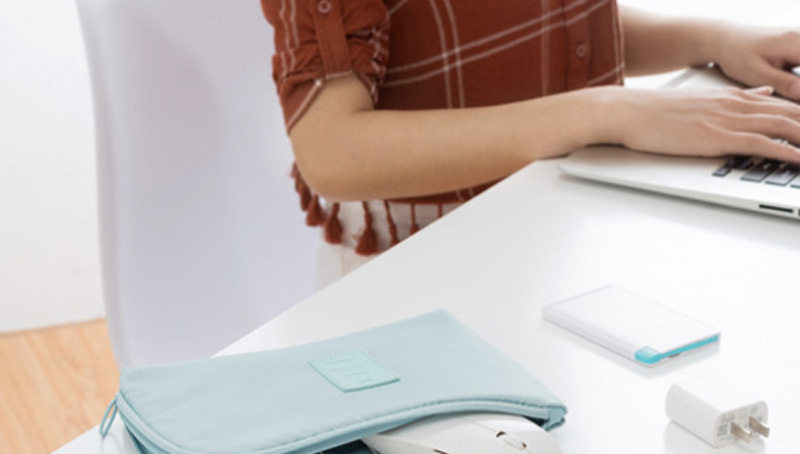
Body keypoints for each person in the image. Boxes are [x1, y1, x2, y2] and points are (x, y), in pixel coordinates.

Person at [260, 0, 800, 276]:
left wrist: (706, 39)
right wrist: (609, 110)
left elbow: (545, 28)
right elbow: (333, 153)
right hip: (421, 262)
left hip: (558, 220)